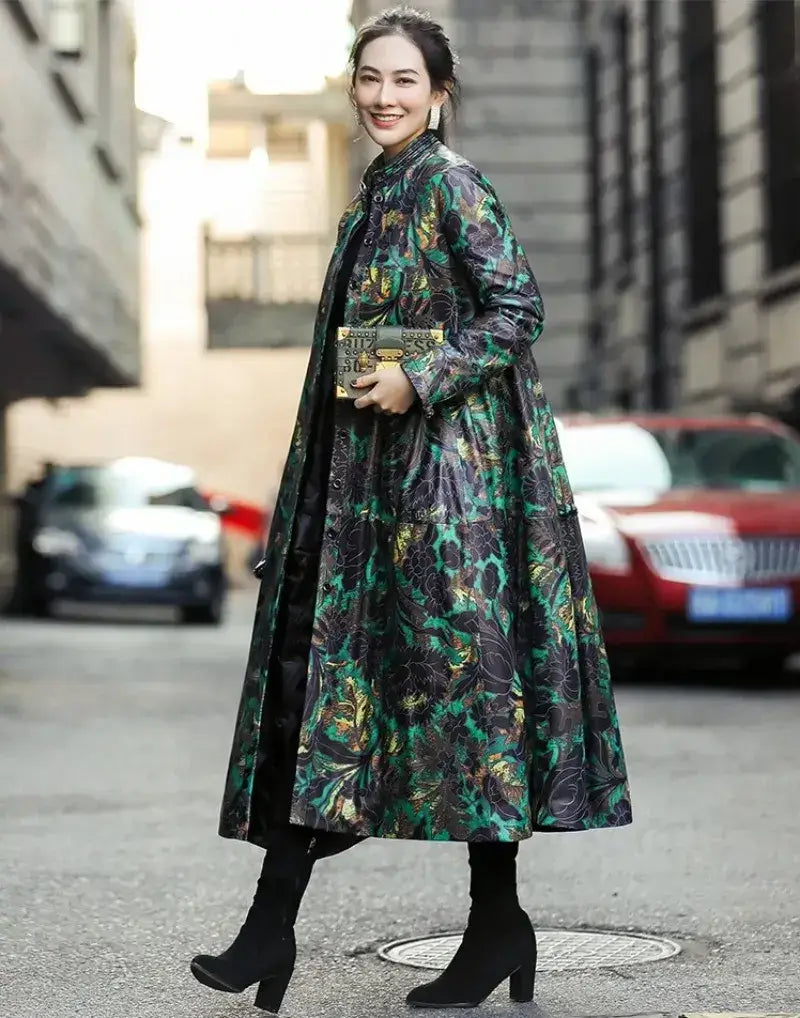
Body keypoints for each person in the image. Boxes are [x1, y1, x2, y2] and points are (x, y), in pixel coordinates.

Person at [190, 7, 632, 1012]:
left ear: (438, 93)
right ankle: (280, 929)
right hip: (365, 499)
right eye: (370, 77)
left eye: (404, 80)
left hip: (449, 506)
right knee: (325, 697)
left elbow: (516, 309)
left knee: (465, 708)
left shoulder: (449, 184)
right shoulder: (373, 197)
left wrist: (419, 376)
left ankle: (482, 925)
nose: (384, 96)